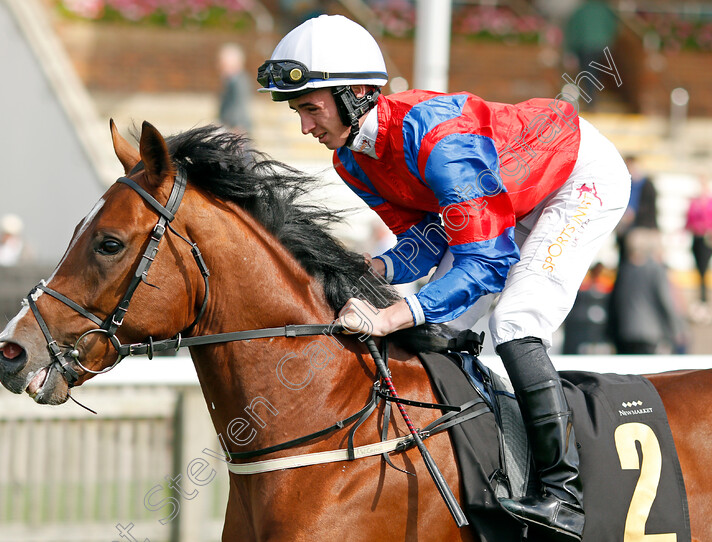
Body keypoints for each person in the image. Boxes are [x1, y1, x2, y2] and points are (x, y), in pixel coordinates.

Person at [257, 15, 630, 541]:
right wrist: (377, 270)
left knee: (516, 320)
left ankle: (563, 493)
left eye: (311, 109)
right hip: (503, 204)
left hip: (574, 179)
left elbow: (486, 260)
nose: (305, 127)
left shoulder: (436, 135)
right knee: (442, 330)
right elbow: (430, 239)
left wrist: (390, 312)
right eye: (298, 111)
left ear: (357, 93)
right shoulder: (353, 161)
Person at [608, 228, 684, 354]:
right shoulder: (655, 270)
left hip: (625, 332)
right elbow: (665, 300)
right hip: (650, 333)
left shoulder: (624, 270)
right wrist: (677, 329)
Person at [615, 155, 658, 263]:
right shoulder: (624, 184)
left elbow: (650, 208)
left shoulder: (647, 185)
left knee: (638, 260)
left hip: (641, 229)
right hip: (625, 228)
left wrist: (633, 214)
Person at [685, 175, 712, 319]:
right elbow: (688, 219)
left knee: (703, 270)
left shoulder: (709, 203)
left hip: (706, 239)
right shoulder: (694, 202)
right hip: (696, 238)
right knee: (698, 271)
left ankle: (704, 301)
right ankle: (701, 301)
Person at [217, 43, 253, 136]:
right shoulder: (230, 81)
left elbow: (240, 104)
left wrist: (238, 126)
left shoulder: (240, 81)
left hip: (237, 130)